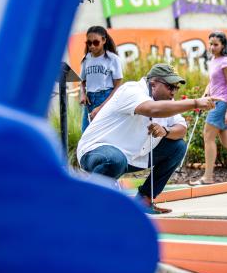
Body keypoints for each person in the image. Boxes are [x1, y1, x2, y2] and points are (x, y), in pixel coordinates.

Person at [76, 63, 219, 214]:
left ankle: (144, 200)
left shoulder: (167, 103)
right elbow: (153, 110)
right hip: (95, 151)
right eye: (170, 87)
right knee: (115, 159)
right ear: (153, 84)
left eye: (176, 87)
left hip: (131, 156)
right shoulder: (131, 90)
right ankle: (87, 200)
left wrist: (165, 130)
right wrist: (195, 102)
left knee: (178, 147)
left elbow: (182, 129)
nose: (173, 92)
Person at [189, 31, 227, 186]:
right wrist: (203, 97)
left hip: (223, 104)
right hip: (218, 102)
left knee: (208, 137)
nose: (212, 47)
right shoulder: (214, 60)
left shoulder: (225, 61)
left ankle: (208, 177)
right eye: (211, 44)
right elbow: (213, 83)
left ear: (223, 45)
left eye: (216, 44)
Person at [79, 26, 123, 132]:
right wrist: (83, 94)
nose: (92, 46)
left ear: (103, 40)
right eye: (89, 43)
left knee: (102, 133)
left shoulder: (113, 59)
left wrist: (102, 106)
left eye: (96, 42)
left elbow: (118, 85)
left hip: (105, 97)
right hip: (89, 100)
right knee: (86, 132)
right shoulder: (86, 59)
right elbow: (82, 81)